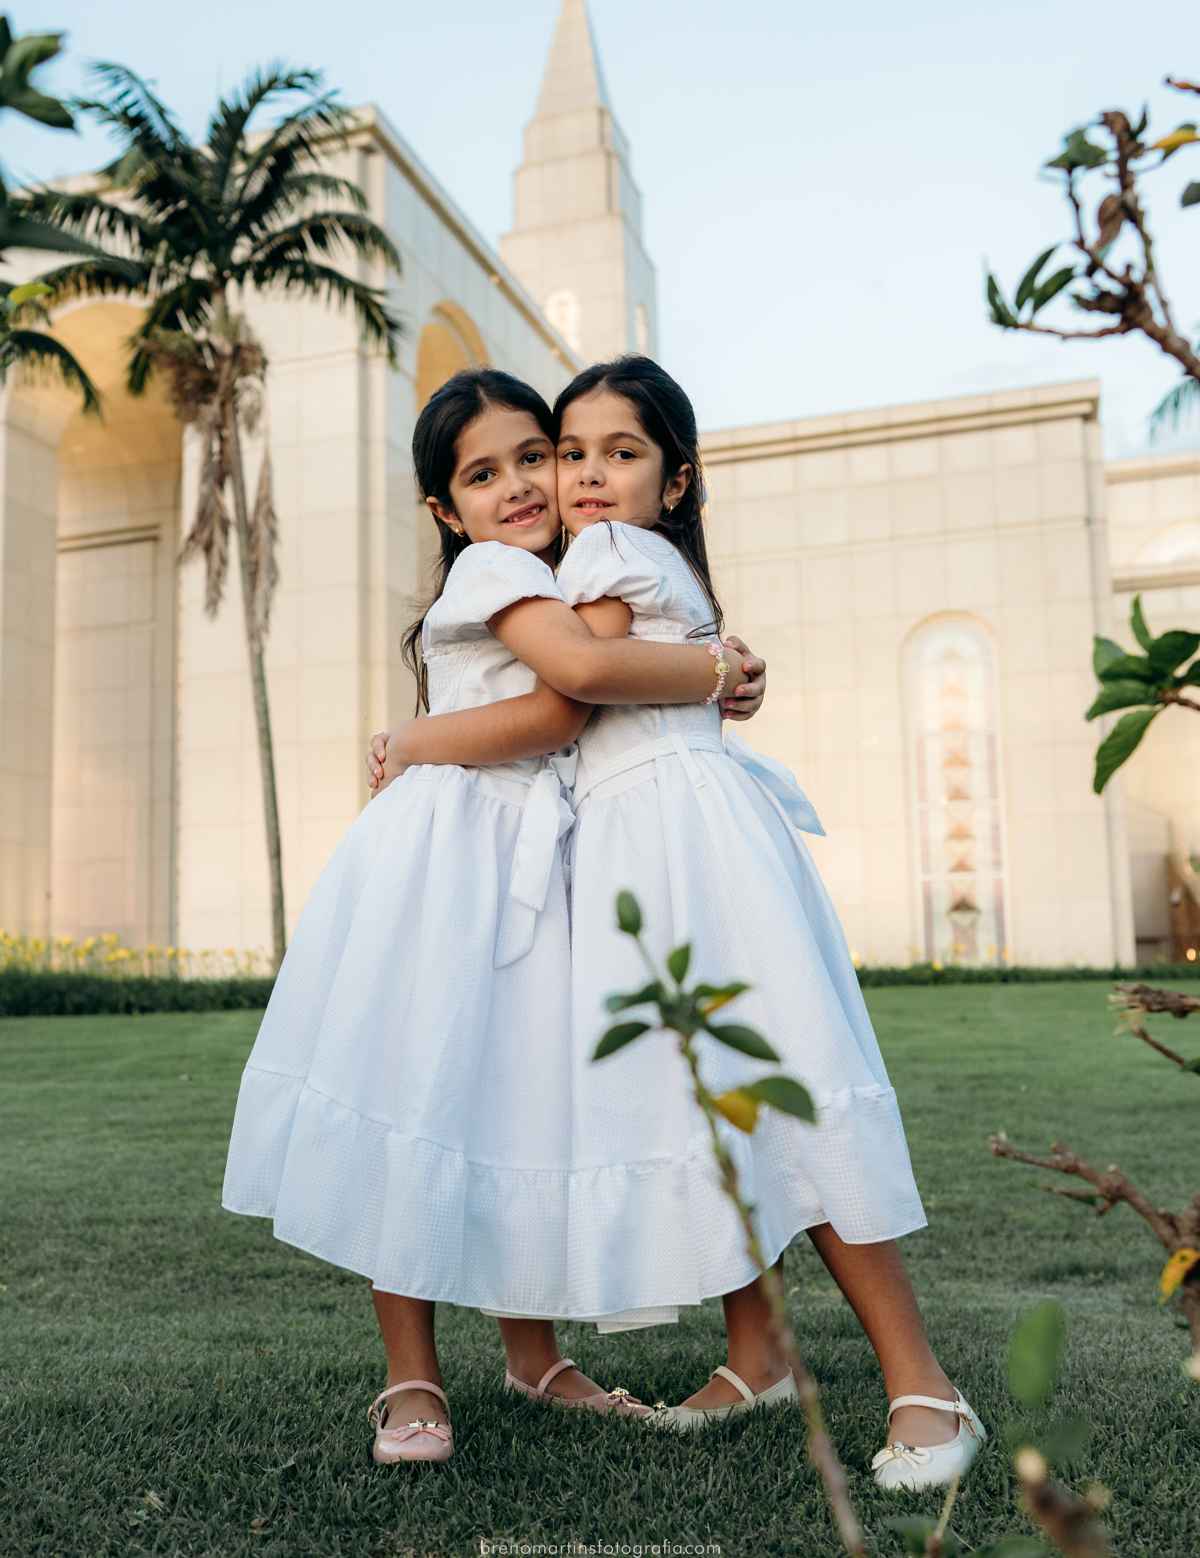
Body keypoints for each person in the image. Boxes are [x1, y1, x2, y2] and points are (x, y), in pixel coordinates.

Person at [369, 356, 986, 1493]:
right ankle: (755, 1355)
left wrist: (711, 669)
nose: (579, 476)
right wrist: (719, 664)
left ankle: (926, 1387)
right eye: (572, 452)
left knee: (778, 1087)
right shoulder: (563, 567)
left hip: (684, 847)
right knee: (714, 1095)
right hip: (641, 852)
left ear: (677, 473)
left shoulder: (600, 557)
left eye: (617, 452)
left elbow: (579, 683)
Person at [224, 367, 765, 1466]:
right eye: (485, 473)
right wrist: (712, 668)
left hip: (539, 858)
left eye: (537, 456)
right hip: (448, 852)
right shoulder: (494, 573)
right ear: (444, 507)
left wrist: (718, 668)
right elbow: (564, 699)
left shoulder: (575, 571)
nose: (523, 485)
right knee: (417, 1088)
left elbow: (600, 675)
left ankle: (533, 1355)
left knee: (518, 1102)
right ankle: (410, 1376)